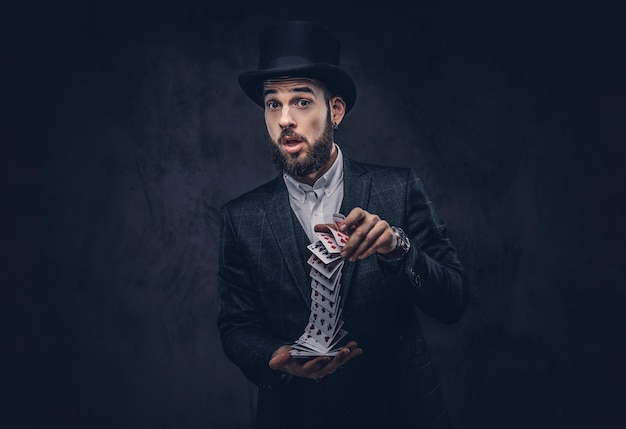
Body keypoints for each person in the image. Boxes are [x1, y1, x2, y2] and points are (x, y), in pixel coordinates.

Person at [217, 20, 468, 428]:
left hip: (399, 410)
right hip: (295, 414)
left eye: (300, 102)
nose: (284, 120)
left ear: (335, 109)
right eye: (272, 103)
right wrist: (273, 356)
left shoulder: (398, 189)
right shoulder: (241, 217)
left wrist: (397, 248)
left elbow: (454, 300)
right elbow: (235, 325)